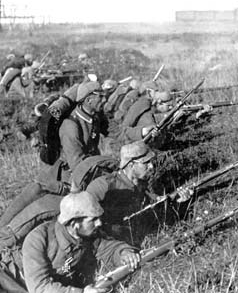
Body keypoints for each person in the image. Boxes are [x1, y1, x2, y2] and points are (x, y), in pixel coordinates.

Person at [0, 82, 108, 228]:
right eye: (101, 97)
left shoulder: (93, 117)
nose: (105, 100)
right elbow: (78, 164)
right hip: (57, 175)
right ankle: (5, 233)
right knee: (29, 205)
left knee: (43, 207)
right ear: (89, 100)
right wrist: (105, 170)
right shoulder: (71, 126)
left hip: (68, 174)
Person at [0, 191, 140, 293]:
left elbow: (107, 247)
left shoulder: (87, 234)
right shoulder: (37, 240)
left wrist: (123, 252)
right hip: (12, 280)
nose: (99, 223)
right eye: (93, 219)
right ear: (74, 224)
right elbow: (40, 288)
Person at [71, 140, 157, 242]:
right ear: (131, 165)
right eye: (145, 163)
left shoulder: (142, 183)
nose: (151, 166)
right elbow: (82, 219)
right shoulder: (104, 186)